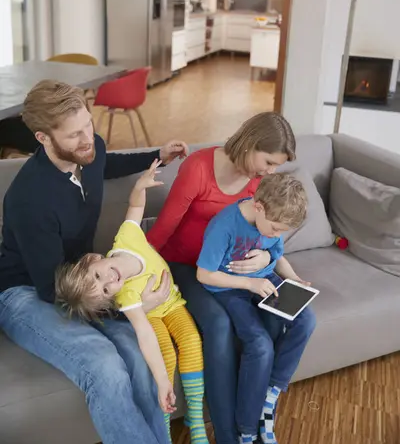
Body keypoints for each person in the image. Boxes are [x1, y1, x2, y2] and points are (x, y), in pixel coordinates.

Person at [0, 79, 189, 444]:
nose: (88, 138)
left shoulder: (88, 149)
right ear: (43, 139)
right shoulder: (31, 200)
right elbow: (51, 290)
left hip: (86, 274)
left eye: (89, 124)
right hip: (29, 291)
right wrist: (126, 308)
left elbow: (104, 161)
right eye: (74, 135)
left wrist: (157, 157)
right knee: (103, 365)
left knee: (136, 354)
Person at [147, 112, 316, 444]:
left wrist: (268, 257)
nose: (270, 171)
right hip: (186, 266)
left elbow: (268, 232)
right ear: (251, 144)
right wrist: (135, 267)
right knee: (220, 326)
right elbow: (163, 229)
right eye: (268, 161)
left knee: (272, 323)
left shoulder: (260, 182)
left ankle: (252, 420)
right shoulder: (197, 168)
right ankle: (228, 436)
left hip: (235, 270)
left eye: (275, 167)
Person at [55, 159, 209, 444]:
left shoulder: (126, 239)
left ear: (93, 259)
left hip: (174, 304)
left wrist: (140, 186)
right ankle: (162, 419)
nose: (109, 282)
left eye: (98, 276)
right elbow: (144, 336)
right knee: (167, 355)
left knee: (190, 341)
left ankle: (195, 418)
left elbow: (135, 210)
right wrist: (164, 382)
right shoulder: (125, 297)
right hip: (153, 317)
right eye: (104, 291)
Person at [197, 173, 314, 444]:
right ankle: (247, 432)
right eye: (274, 228)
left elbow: (278, 254)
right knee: (260, 344)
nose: (276, 234)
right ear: (258, 206)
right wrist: (249, 283)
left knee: (306, 320)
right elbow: (204, 275)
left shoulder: (271, 223)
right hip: (230, 288)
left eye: (281, 231)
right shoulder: (224, 225)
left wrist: (294, 279)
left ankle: (268, 396)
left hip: (265, 280)